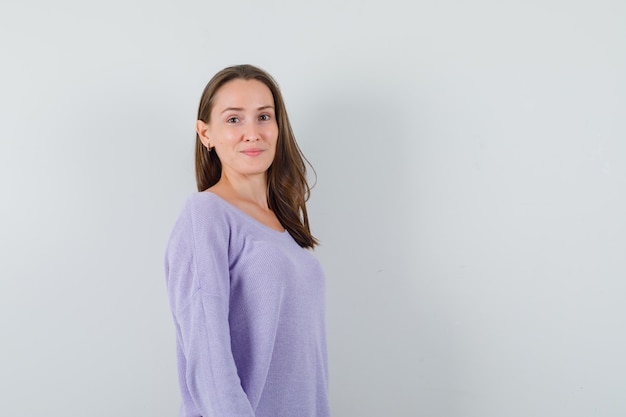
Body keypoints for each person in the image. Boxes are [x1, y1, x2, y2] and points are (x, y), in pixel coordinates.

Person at [164, 64, 330, 417]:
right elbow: (208, 355)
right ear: (205, 133)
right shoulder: (206, 214)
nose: (252, 133)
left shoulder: (286, 227)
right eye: (234, 119)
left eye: (264, 117)